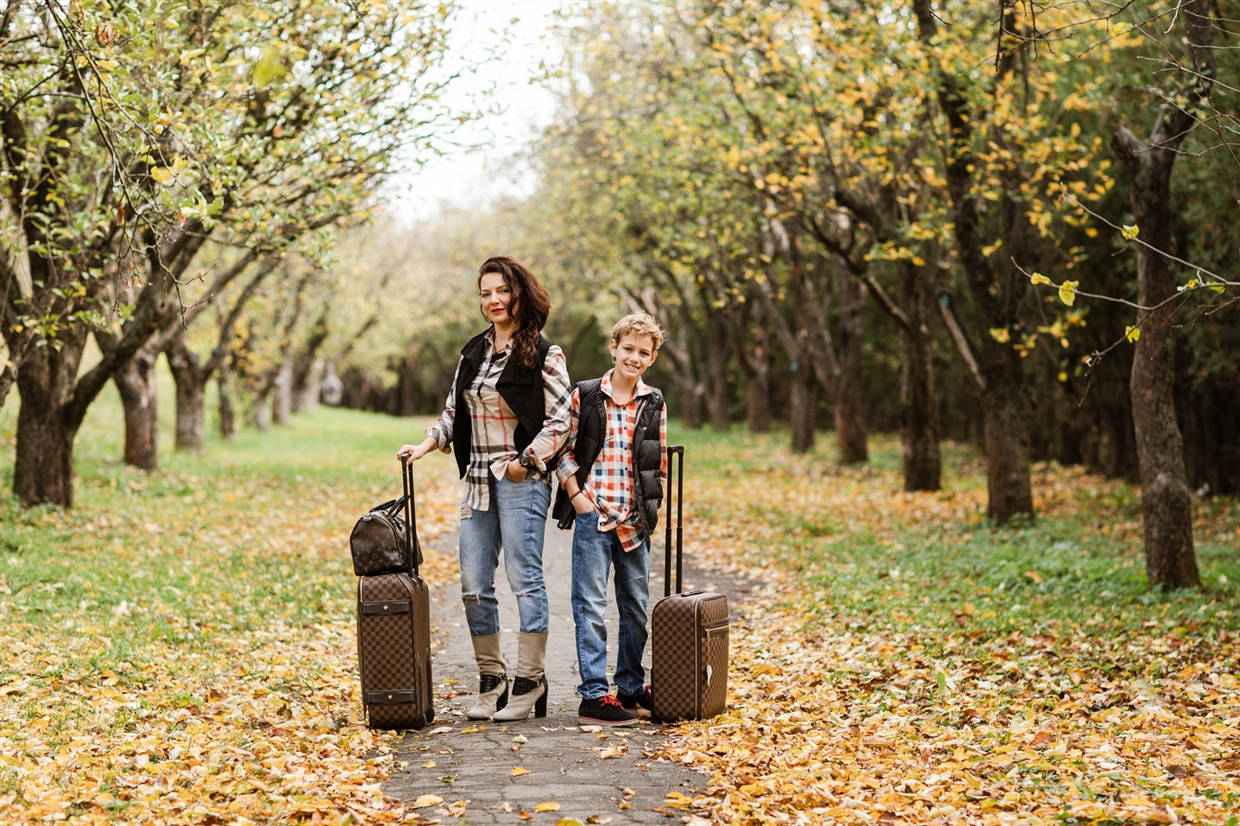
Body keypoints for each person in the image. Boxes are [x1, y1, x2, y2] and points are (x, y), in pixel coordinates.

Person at [398, 256, 571, 722]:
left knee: (524, 580)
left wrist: (524, 462)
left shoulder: (545, 354)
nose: (493, 300)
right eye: (485, 293)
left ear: (519, 294)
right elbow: (455, 412)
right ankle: (491, 681)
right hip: (476, 482)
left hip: (521, 482)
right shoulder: (472, 352)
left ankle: (530, 682)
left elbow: (560, 421)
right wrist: (427, 442)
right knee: (474, 585)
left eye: (501, 291)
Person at [552, 312, 667, 726]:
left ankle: (631, 687)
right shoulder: (586, 394)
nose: (634, 358)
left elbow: (658, 462)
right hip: (594, 516)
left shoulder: (654, 402)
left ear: (651, 358)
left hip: (634, 521)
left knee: (636, 607)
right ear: (614, 348)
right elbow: (562, 449)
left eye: (643, 352)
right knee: (592, 605)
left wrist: (651, 506)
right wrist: (577, 496)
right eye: (628, 349)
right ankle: (594, 695)